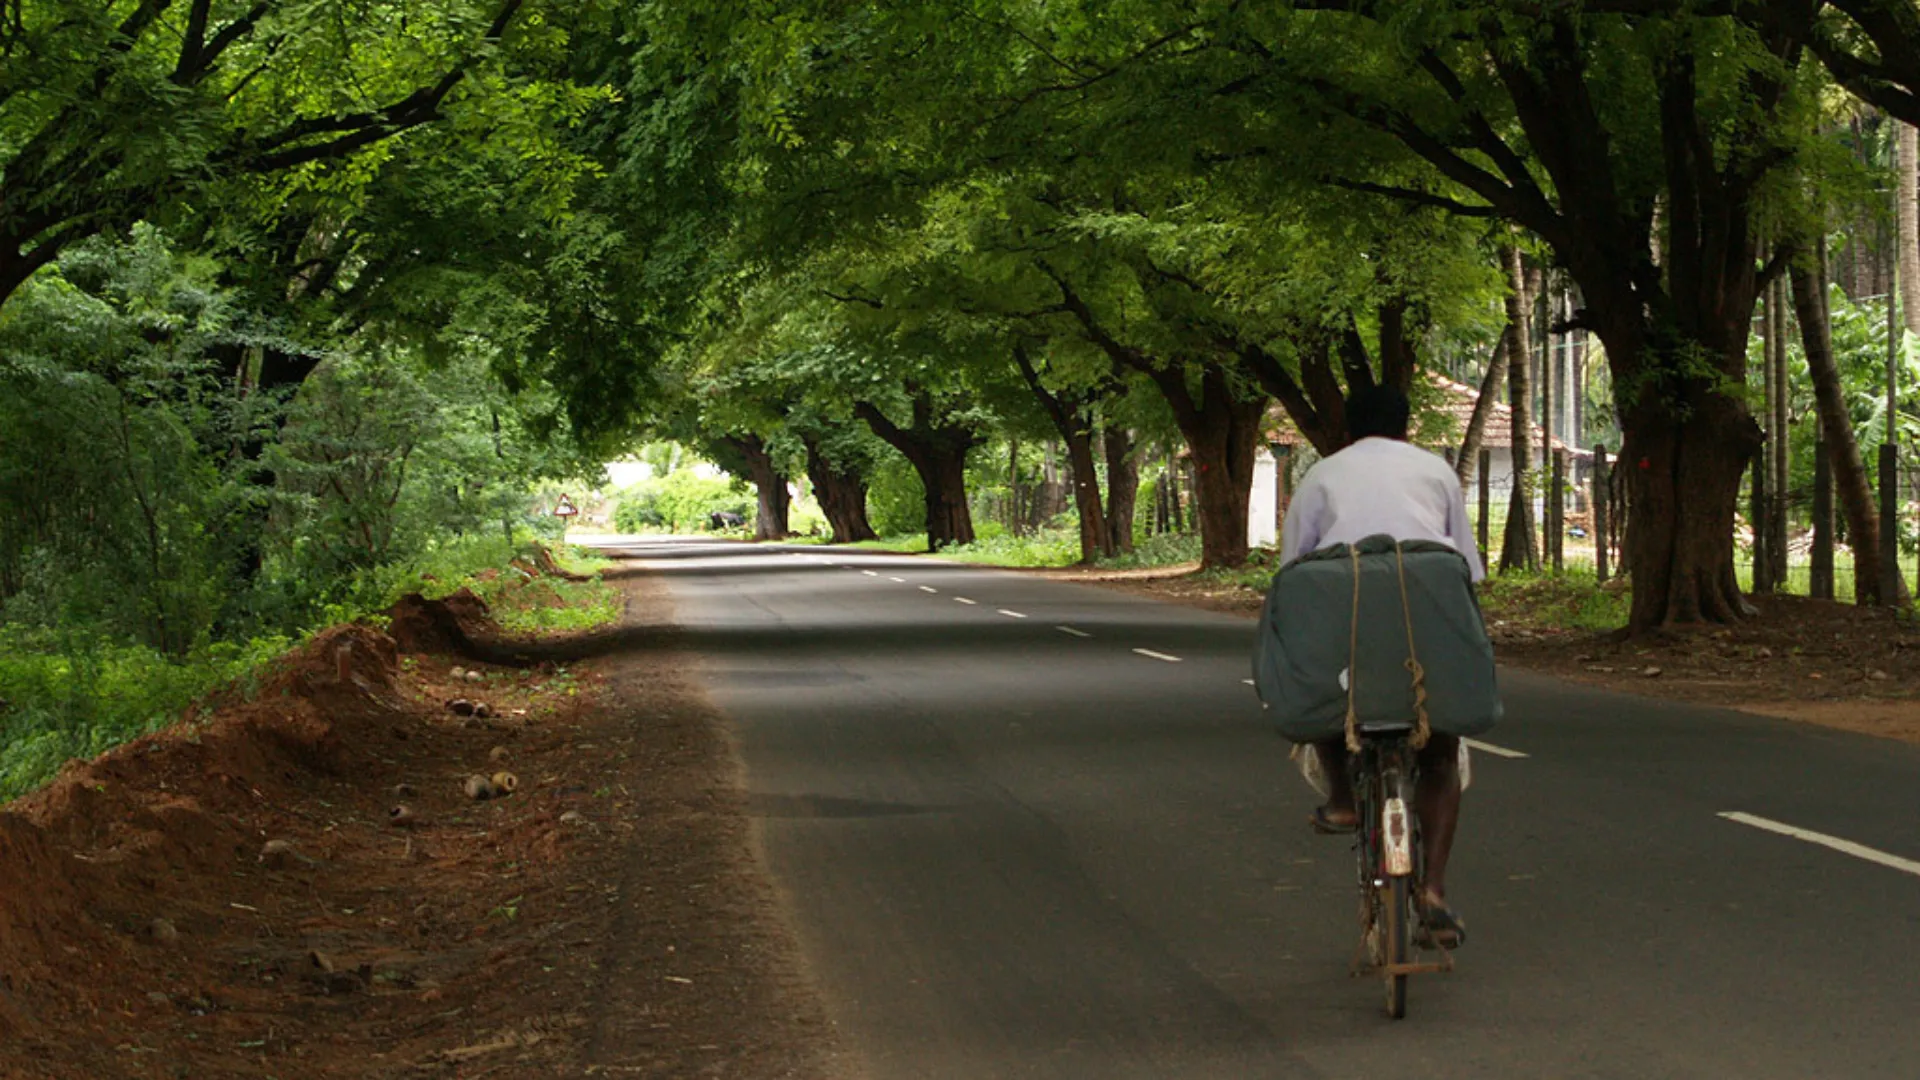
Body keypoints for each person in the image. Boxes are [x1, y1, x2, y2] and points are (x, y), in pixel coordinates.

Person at [1278, 383, 1484, 948]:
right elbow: (1467, 570)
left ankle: (1343, 802)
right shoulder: (1437, 473)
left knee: (1324, 690)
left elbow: (1294, 571)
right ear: (1405, 427)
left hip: (1346, 619)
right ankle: (1435, 891)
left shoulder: (1321, 475)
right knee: (1440, 751)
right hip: (1427, 621)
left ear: (1347, 429)